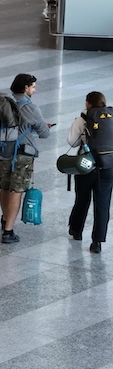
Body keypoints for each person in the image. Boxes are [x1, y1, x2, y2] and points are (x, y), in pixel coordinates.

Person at [0, 74, 52, 245]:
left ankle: (5, 219)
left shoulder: (3, 103)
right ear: (26, 88)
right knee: (17, 190)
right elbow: (44, 133)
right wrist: (41, 126)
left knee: (5, 186)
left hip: (3, 151)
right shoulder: (31, 108)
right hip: (22, 154)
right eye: (33, 87)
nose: (34, 90)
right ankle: (8, 231)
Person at [68, 92, 113, 254]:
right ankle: (97, 242)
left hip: (86, 165)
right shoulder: (111, 116)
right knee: (102, 204)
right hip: (108, 166)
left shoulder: (82, 118)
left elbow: (71, 142)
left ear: (87, 103)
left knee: (82, 198)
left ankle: (76, 230)